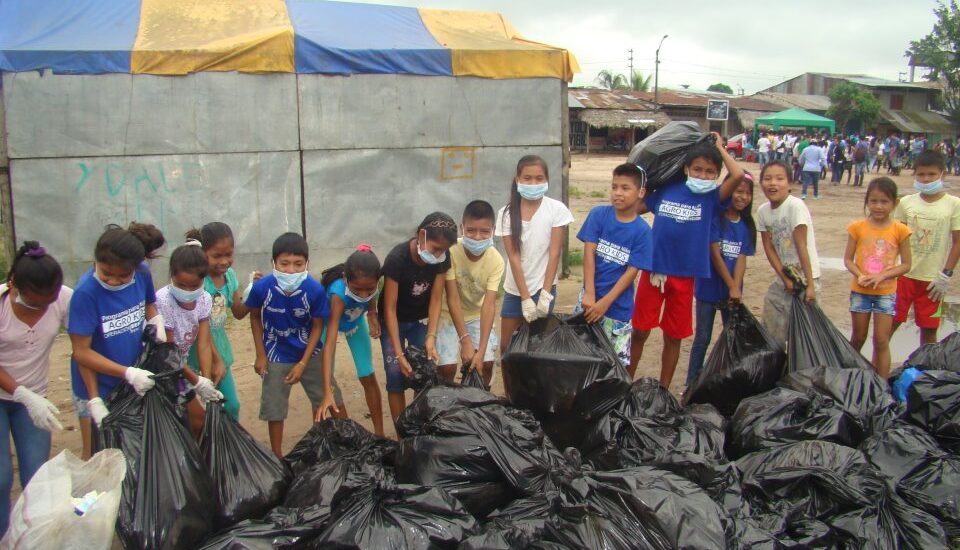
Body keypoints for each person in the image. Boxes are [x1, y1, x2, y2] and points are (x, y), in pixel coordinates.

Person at [631, 133, 744, 389]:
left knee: (673, 336)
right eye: (697, 170)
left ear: (716, 175)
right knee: (639, 331)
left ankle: (664, 389)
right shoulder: (666, 190)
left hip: (684, 277)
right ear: (686, 168)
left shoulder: (711, 198)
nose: (703, 176)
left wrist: (718, 147)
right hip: (653, 271)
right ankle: (626, 381)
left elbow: (737, 175)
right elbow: (635, 208)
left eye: (709, 172)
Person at [69, 224, 165, 460]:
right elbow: (81, 352)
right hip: (97, 388)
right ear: (96, 262)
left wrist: (156, 321)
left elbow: (148, 304)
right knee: (97, 454)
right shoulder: (86, 294)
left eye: (123, 276)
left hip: (132, 381)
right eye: (106, 274)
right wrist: (96, 399)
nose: (113, 281)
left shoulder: (142, 273)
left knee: (133, 450)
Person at [245, 232, 340, 457]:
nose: (290, 270)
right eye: (284, 264)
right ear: (273, 263)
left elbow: (318, 326)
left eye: (298, 264)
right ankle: (277, 456)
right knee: (274, 408)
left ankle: (326, 449)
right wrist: (260, 354)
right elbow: (254, 316)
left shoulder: (314, 290)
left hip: (310, 352)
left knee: (328, 401)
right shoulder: (263, 287)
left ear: (307, 263)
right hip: (276, 353)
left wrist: (303, 363)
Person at [0, 242, 71, 537]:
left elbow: (85, 338)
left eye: (48, 302)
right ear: (13, 285)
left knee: (37, 477)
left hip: (35, 397)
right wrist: (21, 393)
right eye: (35, 302)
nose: (43, 308)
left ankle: (31, 539)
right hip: (11, 394)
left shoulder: (64, 299)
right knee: (1, 477)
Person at [496, 156, 574, 391]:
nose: (533, 183)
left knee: (539, 349)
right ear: (517, 179)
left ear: (547, 180)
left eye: (539, 178)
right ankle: (512, 394)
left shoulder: (556, 209)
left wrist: (545, 293)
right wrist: (525, 297)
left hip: (543, 290)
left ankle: (535, 395)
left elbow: (554, 253)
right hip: (514, 290)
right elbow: (513, 257)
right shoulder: (506, 213)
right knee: (507, 347)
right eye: (527, 178)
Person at [575, 163, 652, 374]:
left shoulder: (643, 231)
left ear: (640, 192)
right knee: (582, 359)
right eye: (614, 187)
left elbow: (631, 272)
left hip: (618, 309)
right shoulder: (598, 215)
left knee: (614, 366)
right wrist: (590, 293)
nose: (618, 193)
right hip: (588, 302)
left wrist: (605, 304)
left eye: (625, 188)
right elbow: (589, 252)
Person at [379, 213, 456, 421]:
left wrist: (431, 336)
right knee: (395, 374)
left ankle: (416, 425)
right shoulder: (397, 258)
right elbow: (390, 308)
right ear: (421, 235)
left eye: (444, 250)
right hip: (393, 321)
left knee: (423, 372)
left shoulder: (442, 259)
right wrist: (398, 353)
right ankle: (400, 434)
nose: (439, 254)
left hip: (419, 321)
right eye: (435, 248)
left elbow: (436, 300)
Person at [687, 173, 756, 386]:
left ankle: (726, 382)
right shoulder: (715, 219)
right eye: (738, 191)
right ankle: (691, 383)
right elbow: (715, 255)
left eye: (747, 193)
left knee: (731, 337)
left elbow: (742, 258)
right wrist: (732, 285)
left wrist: (736, 287)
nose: (742, 197)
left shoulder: (746, 226)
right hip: (709, 288)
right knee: (702, 339)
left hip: (732, 293)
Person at [843, 177, 912, 379]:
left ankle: (882, 386)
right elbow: (848, 259)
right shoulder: (857, 227)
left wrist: (882, 276)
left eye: (884, 201)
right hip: (860, 291)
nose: (878, 206)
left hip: (885, 293)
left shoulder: (901, 230)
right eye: (873, 201)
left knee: (881, 340)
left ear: (894, 203)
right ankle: (849, 378)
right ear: (867, 202)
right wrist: (860, 275)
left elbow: (906, 265)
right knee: (858, 337)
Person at [154, 241, 225, 437]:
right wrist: (197, 382)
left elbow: (203, 343)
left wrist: (206, 381)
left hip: (180, 368)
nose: (187, 291)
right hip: (162, 369)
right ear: (172, 277)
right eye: (180, 285)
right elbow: (167, 352)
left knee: (195, 422)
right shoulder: (162, 300)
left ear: (204, 280)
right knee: (191, 420)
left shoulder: (204, 299)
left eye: (193, 285)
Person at [893, 150, 960, 346]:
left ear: (942, 174)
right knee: (890, 323)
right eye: (921, 174)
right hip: (904, 276)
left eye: (931, 174)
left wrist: (945, 275)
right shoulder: (906, 203)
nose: (926, 179)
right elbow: (896, 238)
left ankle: (924, 373)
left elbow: (957, 241)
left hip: (932, 281)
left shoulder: (954, 204)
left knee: (929, 332)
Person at [315, 245, 384, 436]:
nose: (363, 294)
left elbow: (371, 296)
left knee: (367, 373)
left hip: (355, 322)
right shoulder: (338, 294)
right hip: (329, 324)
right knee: (328, 381)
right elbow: (329, 343)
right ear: (346, 279)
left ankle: (380, 434)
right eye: (357, 289)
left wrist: (371, 313)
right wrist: (327, 387)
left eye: (369, 289)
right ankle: (347, 434)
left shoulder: (372, 287)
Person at [184, 223, 248, 420]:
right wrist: (214, 361)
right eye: (217, 256)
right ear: (202, 254)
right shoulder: (198, 283)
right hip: (198, 352)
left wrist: (253, 292)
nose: (224, 261)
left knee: (231, 406)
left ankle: (229, 447)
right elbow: (199, 327)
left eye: (229, 254)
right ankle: (206, 448)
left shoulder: (229, 276)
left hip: (219, 349)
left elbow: (238, 312)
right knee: (200, 413)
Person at [437, 201, 504, 387]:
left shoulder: (496, 260)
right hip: (447, 315)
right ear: (461, 228)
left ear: (493, 230)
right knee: (446, 368)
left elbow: (489, 305)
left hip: (477, 315)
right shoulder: (450, 252)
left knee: (486, 364)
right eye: (471, 230)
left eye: (484, 232)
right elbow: (452, 298)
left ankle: (478, 407)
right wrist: (465, 340)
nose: (477, 237)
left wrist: (481, 351)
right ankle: (445, 407)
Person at [757, 160, 822, 345]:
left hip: (806, 278)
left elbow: (802, 246)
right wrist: (784, 279)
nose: (773, 183)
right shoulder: (763, 211)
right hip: (784, 279)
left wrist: (810, 285)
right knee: (772, 329)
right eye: (767, 179)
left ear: (790, 183)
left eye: (779, 178)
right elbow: (769, 248)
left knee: (804, 337)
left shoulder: (795, 206)